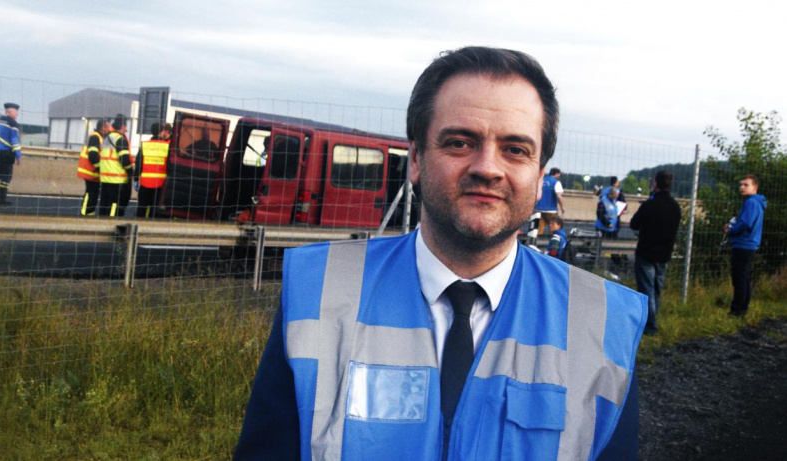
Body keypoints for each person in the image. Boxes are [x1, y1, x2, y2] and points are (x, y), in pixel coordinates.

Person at [233, 47, 646, 461]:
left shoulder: (602, 324)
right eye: (460, 142)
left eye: (515, 149)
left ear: (539, 179)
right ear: (415, 159)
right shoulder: (317, 293)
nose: (488, 167)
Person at [629, 170, 682, 335]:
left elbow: (634, 224)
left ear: (655, 184)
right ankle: (652, 319)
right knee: (657, 290)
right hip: (664, 254)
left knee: (646, 290)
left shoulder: (649, 205)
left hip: (646, 252)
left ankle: (650, 326)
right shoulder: (675, 207)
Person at [723, 174, 767, 317]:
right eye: (741, 184)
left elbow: (746, 223)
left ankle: (737, 311)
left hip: (744, 244)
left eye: (746, 185)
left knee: (739, 277)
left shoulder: (751, 202)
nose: (742, 187)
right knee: (744, 277)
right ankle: (743, 308)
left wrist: (731, 230)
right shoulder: (755, 203)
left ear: (755, 187)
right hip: (749, 244)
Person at [98, 114, 133, 217]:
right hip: (116, 179)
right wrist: (130, 171)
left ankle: (100, 225)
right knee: (114, 206)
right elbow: (125, 160)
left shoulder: (107, 138)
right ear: (123, 126)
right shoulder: (120, 139)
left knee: (104, 205)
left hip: (105, 177)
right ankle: (111, 225)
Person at [135, 122, 172, 218]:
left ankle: (138, 225)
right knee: (154, 208)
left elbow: (138, 163)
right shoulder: (167, 147)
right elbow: (170, 166)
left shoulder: (145, 145)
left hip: (145, 183)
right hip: (160, 184)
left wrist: (136, 179)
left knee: (141, 208)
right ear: (161, 132)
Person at [77, 119, 110, 216]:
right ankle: (84, 213)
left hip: (93, 172)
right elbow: (92, 155)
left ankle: (89, 214)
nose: (109, 129)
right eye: (108, 127)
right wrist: (101, 168)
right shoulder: (95, 137)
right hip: (90, 171)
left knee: (93, 194)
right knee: (90, 193)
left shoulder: (100, 137)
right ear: (103, 127)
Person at [534, 167, 566, 234]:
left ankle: (536, 242)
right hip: (551, 210)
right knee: (553, 228)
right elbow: (559, 196)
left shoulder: (541, 180)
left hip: (538, 209)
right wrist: (562, 207)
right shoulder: (556, 182)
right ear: (556, 174)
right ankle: (552, 241)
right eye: (559, 174)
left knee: (538, 229)